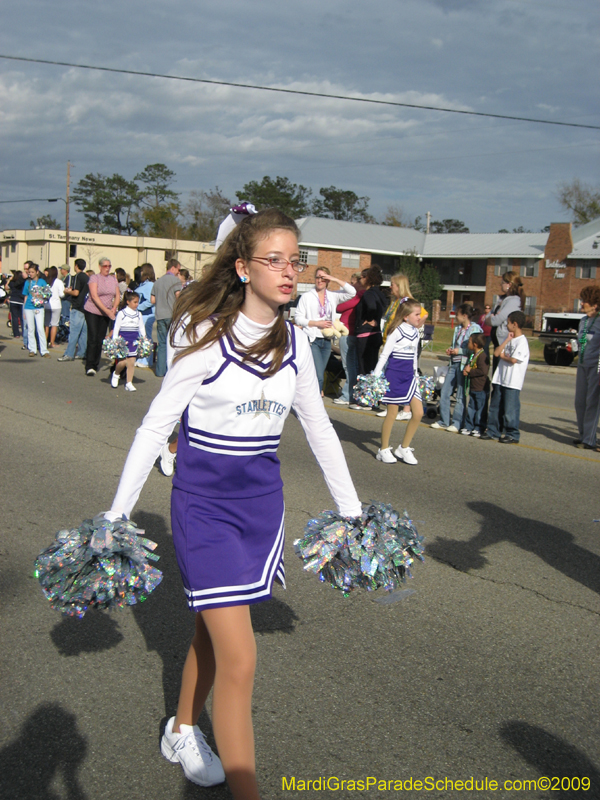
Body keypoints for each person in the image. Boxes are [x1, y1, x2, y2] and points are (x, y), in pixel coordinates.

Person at [103, 209, 362, 799]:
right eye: (274, 260)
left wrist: (352, 513)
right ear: (243, 268)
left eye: (293, 260)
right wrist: (115, 516)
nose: (289, 271)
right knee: (240, 656)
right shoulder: (204, 336)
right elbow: (153, 427)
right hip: (205, 510)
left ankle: (182, 727)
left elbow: (320, 429)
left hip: (261, 512)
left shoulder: (295, 339)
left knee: (211, 632)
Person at [373, 297, 424, 465]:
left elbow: (415, 356)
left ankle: (403, 448)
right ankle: (383, 449)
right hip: (394, 376)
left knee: (418, 413)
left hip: (410, 376)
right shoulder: (397, 331)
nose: (420, 317)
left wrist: (416, 374)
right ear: (406, 316)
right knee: (392, 413)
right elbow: (385, 355)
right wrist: (375, 376)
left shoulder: (416, 332)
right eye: (417, 314)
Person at [294, 266, 356, 394]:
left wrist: (334, 279)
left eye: (323, 278)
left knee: (319, 373)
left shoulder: (333, 296)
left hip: (327, 341)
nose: (319, 280)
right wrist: (316, 323)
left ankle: (310, 398)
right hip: (313, 340)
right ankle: (314, 400)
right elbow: (298, 318)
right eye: (317, 277)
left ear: (327, 280)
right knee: (318, 375)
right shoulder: (307, 297)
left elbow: (352, 292)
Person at [377, 273, 428, 419]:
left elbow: (423, 315)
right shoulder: (395, 302)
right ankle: (391, 405)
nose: (390, 287)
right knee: (391, 374)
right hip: (392, 341)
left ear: (399, 286)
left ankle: (406, 409)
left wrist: (414, 328)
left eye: (392, 284)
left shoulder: (408, 302)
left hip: (405, 343)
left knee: (406, 373)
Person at [431, 304, 482, 433]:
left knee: (460, 395)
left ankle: (458, 422)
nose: (456, 317)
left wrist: (458, 351)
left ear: (464, 316)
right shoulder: (458, 329)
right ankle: (444, 420)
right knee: (445, 392)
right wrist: (451, 350)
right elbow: (455, 344)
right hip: (453, 363)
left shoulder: (475, 329)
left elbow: (475, 349)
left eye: (457, 314)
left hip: (464, 364)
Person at [481, 311, 530, 443]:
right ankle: (493, 430)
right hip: (500, 379)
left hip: (512, 382)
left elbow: (513, 359)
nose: (506, 325)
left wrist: (503, 356)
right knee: (495, 406)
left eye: (508, 323)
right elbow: (497, 352)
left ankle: (512, 433)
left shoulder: (522, 342)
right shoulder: (509, 339)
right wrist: (507, 340)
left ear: (515, 324)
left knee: (510, 409)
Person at [573, 285, 600, 452]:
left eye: (585, 301)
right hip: (582, 365)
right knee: (579, 402)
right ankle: (583, 434)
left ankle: (590, 438)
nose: (582, 304)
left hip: (596, 367)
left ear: (595, 304)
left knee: (592, 403)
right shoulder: (583, 320)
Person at [83, 257, 119, 376]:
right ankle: (90, 365)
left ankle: (96, 362)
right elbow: (94, 296)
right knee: (93, 337)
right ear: (100, 267)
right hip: (93, 310)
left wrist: (113, 309)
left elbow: (117, 295)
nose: (107, 268)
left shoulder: (113, 279)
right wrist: (106, 311)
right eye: (105, 266)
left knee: (100, 339)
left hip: (106, 312)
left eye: (109, 266)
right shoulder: (94, 278)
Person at [333, 272, 363, 406]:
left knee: (349, 366)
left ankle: (348, 395)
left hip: (348, 333)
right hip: (348, 333)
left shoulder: (358, 295)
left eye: (353, 282)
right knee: (350, 365)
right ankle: (350, 394)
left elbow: (339, 307)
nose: (351, 285)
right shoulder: (357, 296)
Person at [486, 272, 524, 373]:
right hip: (497, 342)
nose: (500, 284)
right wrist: (491, 317)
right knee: (494, 373)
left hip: (504, 342)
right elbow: (487, 317)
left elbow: (496, 320)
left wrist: (493, 317)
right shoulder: (502, 299)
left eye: (502, 282)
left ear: (509, 284)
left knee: (499, 374)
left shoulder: (514, 301)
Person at [354, 264, 387, 376]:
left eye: (362, 277)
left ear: (367, 278)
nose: (361, 280)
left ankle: (364, 393)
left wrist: (369, 318)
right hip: (376, 334)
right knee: (373, 369)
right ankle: (373, 392)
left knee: (364, 370)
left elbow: (371, 306)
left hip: (365, 335)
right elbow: (384, 307)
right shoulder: (380, 293)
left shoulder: (369, 293)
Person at [110, 290, 146, 392]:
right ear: (128, 302)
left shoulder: (139, 314)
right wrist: (115, 340)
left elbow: (141, 327)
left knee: (131, 362)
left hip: (134, 339)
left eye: (137, 302)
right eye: (134, 302)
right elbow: (116, 327)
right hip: (123, 339)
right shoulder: (122, 313)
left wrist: (144, 339)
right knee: (122, 362)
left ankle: (129, 383)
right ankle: (116, 374)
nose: (136, 304)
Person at [151, 258, 182, 377]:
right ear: (173, 268)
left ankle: (160, 371)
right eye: (178, 270)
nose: (178, 273)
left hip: (160, 315)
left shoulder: (158, 282)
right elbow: (178, 296)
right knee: (173, 343)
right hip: (171, 314)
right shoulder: (175, 281)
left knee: (162, 343)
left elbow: (152, 300)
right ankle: (171, 371)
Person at [59, 259, 89, 361]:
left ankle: (69, 353)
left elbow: (76, 292)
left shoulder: (77, 276)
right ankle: (82, 352)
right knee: (83, 333)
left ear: (76, 266)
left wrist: (67, 291)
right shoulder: (87, 277)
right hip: (85, 307)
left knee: (74, 332)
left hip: (77, 306)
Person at [460, 333, 489, 437]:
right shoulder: (473, 355)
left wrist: (470, 371)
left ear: (475, 344)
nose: (468, 343)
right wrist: (466, 371)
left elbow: (483, 371)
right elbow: (470, 367)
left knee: (480, 409)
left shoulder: (483, 356)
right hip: (473, 386)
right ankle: (469, 426)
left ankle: (479, 427)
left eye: (470, 342)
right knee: (471, 407)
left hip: (481, 387)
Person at [22, 263, 50, 357]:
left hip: (39, 307)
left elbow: (48, 293)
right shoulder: (27, 282)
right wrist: (24, 310)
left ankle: (44, 350)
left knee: (40, 328)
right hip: (29, 307)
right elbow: (26, 295)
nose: (30, 274)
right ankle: (32, 349)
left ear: (37, 272)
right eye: (29, 272)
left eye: (33, 272)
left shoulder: (42, 281)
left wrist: (40, 296)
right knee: (30, 329)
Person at [135, 263, 156, 370]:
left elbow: (150, 301)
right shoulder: (143, 284)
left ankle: (146, 360)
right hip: (142, 314)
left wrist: (137, 307)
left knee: (146, 337)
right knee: (141, 337)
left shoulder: (149, 285)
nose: (140, 272)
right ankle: (142, 358)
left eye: (142, 270)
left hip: (147, 314)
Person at [44, 266, 65, 349]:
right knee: (54, 324)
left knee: (46, 324)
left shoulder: (46, 282)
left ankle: (44, 341)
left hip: (47, 305)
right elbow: (62, 294)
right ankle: (52, 342)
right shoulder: (59, 282)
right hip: (56, 305)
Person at [7, 269, 26, 338]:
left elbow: (6, 287)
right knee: (22, 318)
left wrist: (9, 280)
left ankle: (16, 333)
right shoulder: (23, 282)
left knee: (14, 317)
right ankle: (24, 332)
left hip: (13, 300)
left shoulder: (12, 282)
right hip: (21, 301)